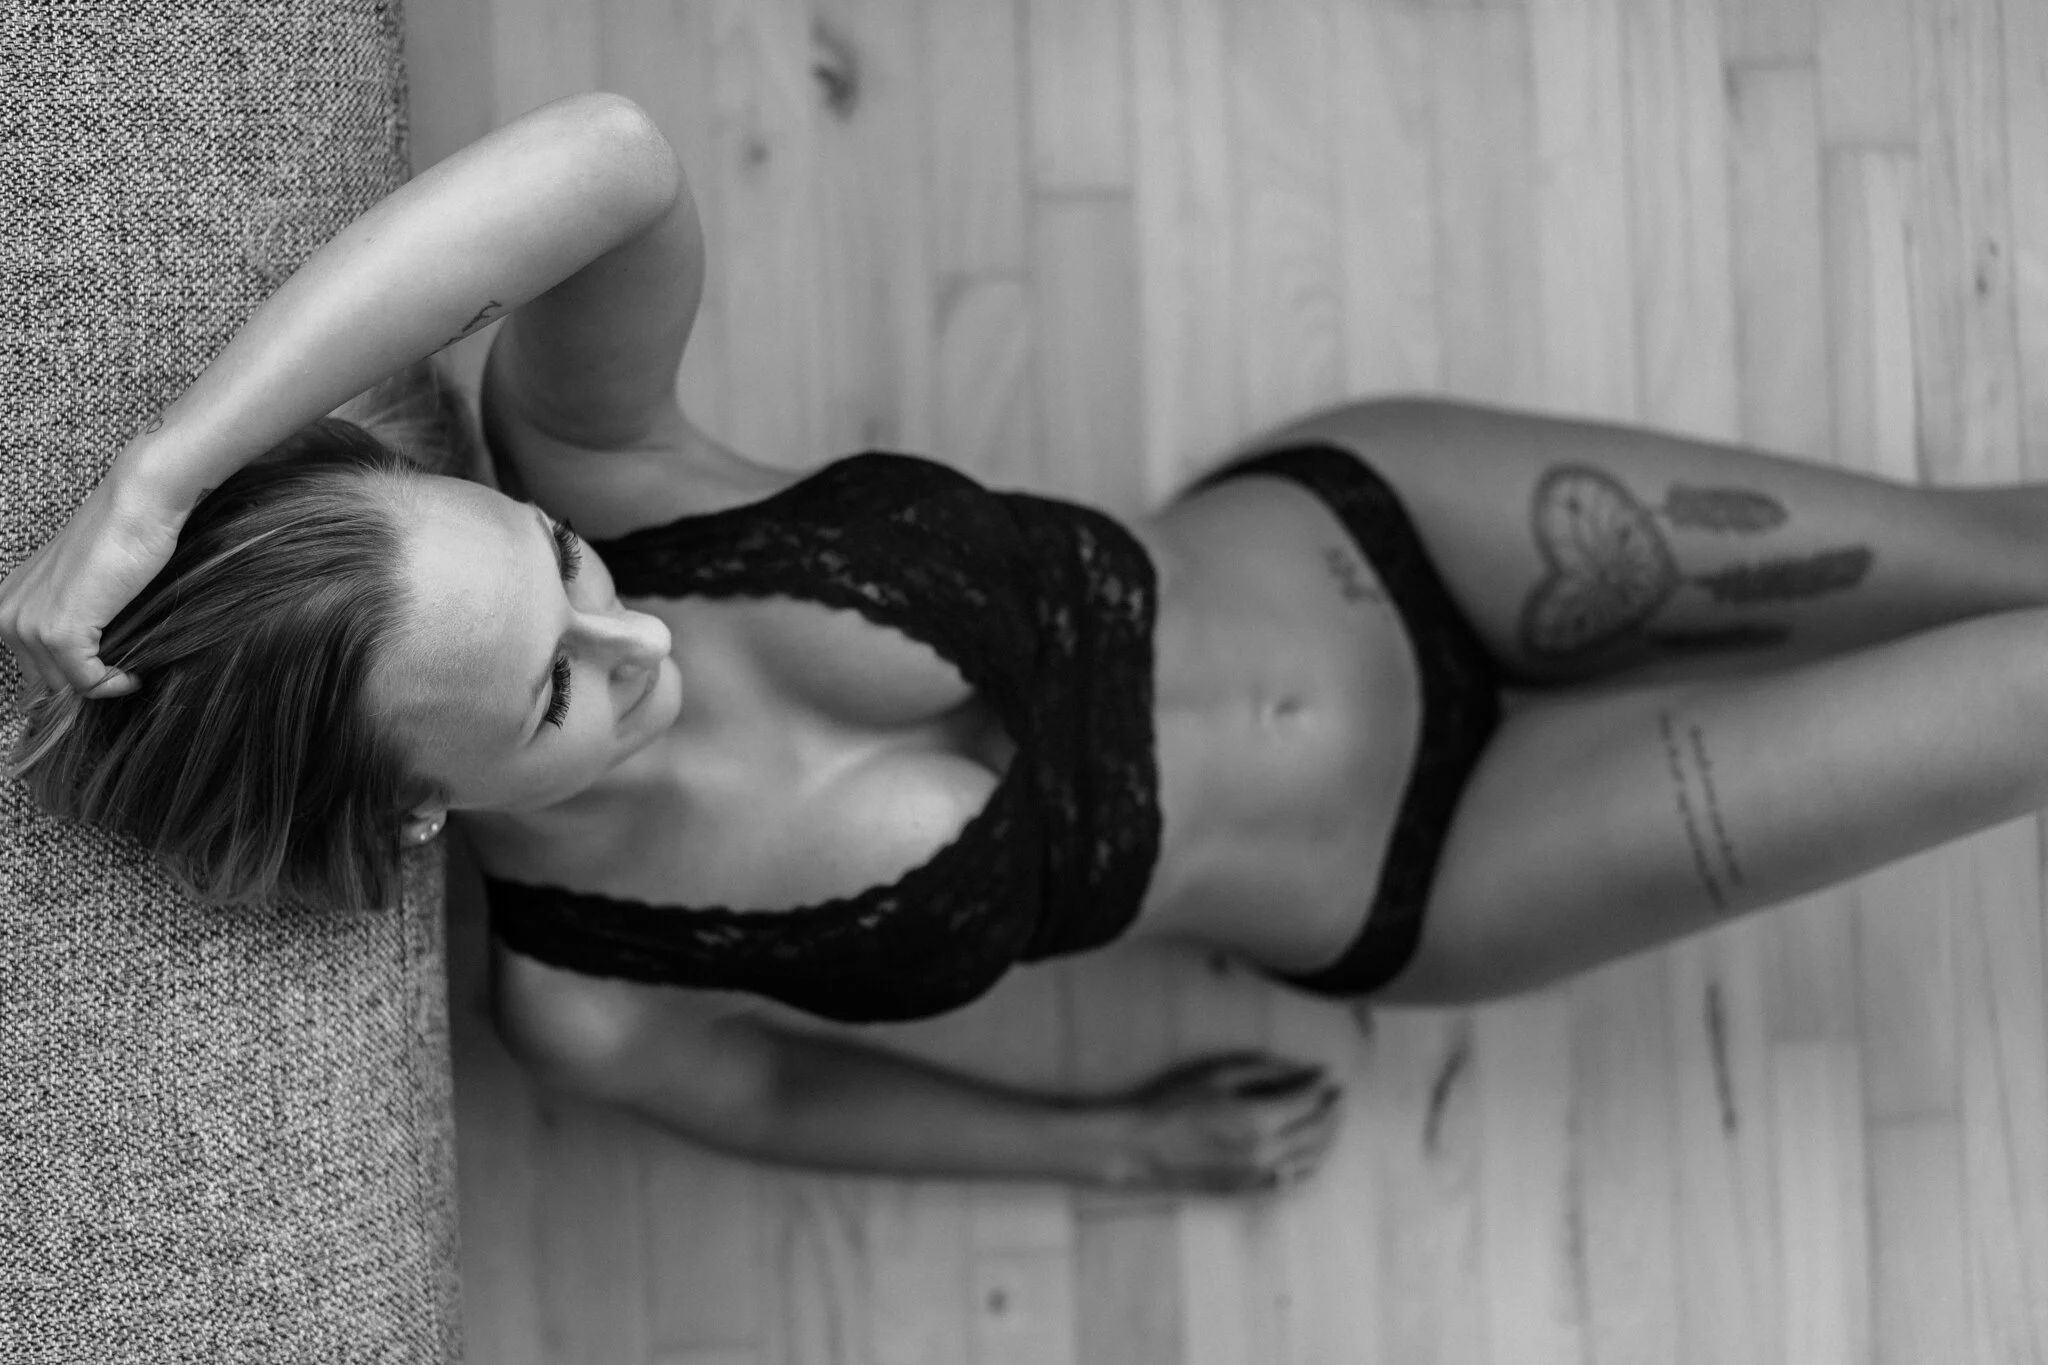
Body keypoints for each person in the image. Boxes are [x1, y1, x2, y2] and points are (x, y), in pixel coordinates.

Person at [8, 93, 2048, 1197]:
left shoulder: (624, 473)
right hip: (1437, 863)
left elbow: (612, 163)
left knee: (1999, 552)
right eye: (555, 691)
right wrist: (1110, 1145)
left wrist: (163, 477)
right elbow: (785, 1103)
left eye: (557, 565)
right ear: (419, 814)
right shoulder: (590, 998)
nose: (637, 638)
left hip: (1379, 532)